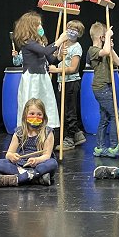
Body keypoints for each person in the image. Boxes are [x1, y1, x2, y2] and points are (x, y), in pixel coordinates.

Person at [12, 11, 68, 127]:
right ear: (31, 27)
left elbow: (51, 60)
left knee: (45, 102)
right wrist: (60, 40)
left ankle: (45, 126)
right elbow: (46, 51)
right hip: (32, 78)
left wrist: (59, 57)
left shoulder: (39, 43)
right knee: (32, 102)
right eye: (38, 24)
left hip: (42, 77)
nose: (41, 27)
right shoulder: (28, 43)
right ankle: (30, 127)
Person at [88, 22, 119, 158]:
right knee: (116, 115)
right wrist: (107, 38)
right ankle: (114, 147)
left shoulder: (106, 51)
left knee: (105, 118)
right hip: (101, 88)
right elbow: (104, 52)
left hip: (106, 87)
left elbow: (118, 62)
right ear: (101, 37)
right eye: (105, 36)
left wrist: (111, 48)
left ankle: (100, 147)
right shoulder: (93, 50)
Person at [0, 98, 57, 187]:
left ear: (43, 117)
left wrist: (37, 160)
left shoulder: (48, 132)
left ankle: (19, 178)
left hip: (39, 165)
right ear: (25, 115)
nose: (35, 117)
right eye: (32, 114)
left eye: (39, 114)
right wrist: (12, 157)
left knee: (52, 163)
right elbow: (9, 154)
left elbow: (47, 155)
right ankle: (35, 178)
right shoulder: (19, 132)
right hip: (20, 166)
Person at [49, 20, 86, 150]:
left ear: (79, 33)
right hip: (62, 81)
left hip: (71, 82)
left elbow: (73, 68)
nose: (71, 31)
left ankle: (70, 139)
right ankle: (77, 134)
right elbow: (57, 58)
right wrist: (60, 54)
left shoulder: (77, 47)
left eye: (75, 30)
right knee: (63, 110)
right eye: (69, 28)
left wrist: (56, 70)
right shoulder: (63, 44)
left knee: (70, 111)